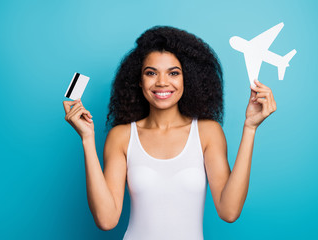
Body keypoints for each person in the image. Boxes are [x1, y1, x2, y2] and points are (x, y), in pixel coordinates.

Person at [63, 26, 276, 239]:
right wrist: (87, 139)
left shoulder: (207, 132)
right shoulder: (121, 136)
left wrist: (250, 127)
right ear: (139, 80)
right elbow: (106, 220)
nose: (162, 82)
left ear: (187, 78)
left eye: (173, 73)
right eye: (151, 73)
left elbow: (229, 212)